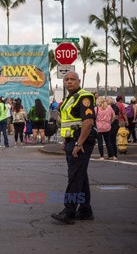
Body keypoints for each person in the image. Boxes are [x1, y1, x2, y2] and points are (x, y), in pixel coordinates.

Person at [51, 71, 96, 224]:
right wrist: (66, 140)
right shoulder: (70, 98)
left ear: (79, 81)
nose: (69, 82)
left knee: (75, 177)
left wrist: (79, 143)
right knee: (80, 176)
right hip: (72, 141)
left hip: (80, 143)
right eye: (67, 79)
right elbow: (69, 122)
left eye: (72, 79)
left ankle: (69, 211)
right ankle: (85, 210)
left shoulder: (84, 97)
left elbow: (88, 122)